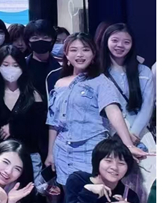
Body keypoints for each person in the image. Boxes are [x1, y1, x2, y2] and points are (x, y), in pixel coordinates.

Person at [46, 33, 148, 184]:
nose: (79, 54)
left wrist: (128, 144)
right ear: (66, 54)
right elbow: (53, 122)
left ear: (93, 54)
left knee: (93, 193)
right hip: (62, 151)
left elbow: (113, 110)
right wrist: (50, 153)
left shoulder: (100, 81)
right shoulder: (59, 83)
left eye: (85, 49)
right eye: (73, 50)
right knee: (69, 195)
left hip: (91, 150)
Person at [0, 46, 48, 185]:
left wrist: (14, 128)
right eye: (5, 65)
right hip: (0, 159)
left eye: (15, 65)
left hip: (29, 158)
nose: (11, 69)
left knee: (29, 195)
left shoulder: (33, 95)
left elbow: (39, 130)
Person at [99, 23, 155, 140]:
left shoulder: (143, 71)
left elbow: (147, 106)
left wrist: (133, 134)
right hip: (106, 135)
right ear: (106, 41)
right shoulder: (97, 72)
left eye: (126, 42)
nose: (120, 45)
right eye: (115, 40)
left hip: (138, 134)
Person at [23, 19, 56, 101]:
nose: (40, 41)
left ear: (52, 40)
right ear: (28, 42)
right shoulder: (22, 65)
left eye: (45, 37)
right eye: (35, 38)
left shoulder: (60, 68)